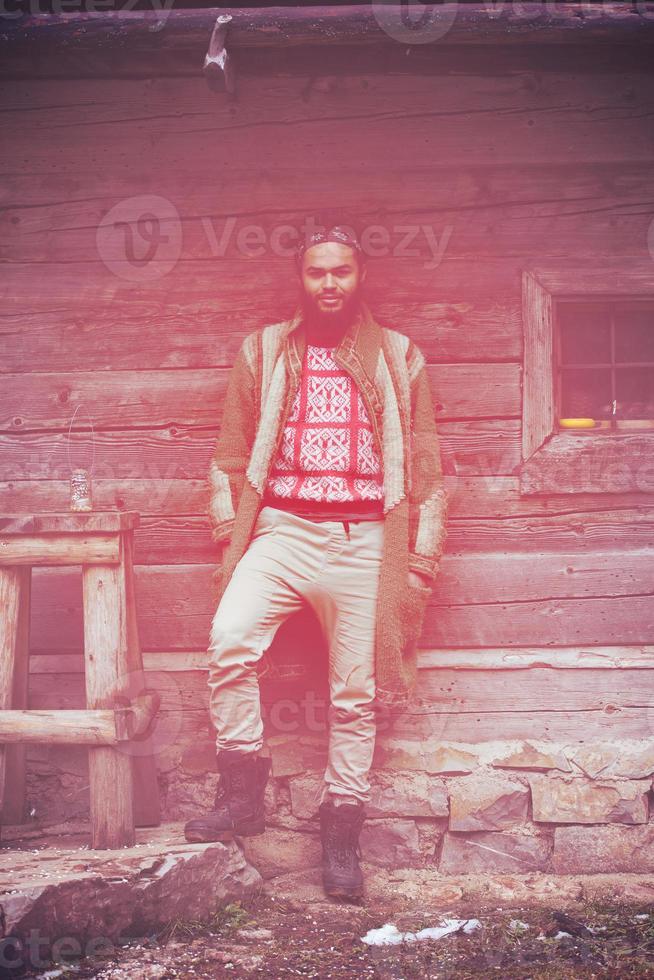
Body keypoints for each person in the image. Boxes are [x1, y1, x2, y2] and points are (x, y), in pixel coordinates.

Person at [183, 222, 449, 900]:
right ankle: (243, 792)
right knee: (229, 642)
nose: (329, 282)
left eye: (342, 271)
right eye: (316, 272)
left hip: (364, 539)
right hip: (281, 532)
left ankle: (340, 841)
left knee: (355, 696)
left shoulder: (399, 354)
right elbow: (229, 454)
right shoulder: (267, 350)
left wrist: (418, 564)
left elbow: (424, 467)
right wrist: (230, 534)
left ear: (360, 278)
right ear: (300, 279)